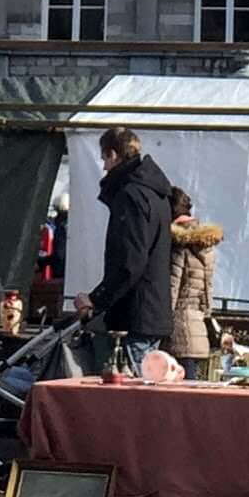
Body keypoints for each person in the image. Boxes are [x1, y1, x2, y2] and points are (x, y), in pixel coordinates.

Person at [82, 129, 177, 373]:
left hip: (134, 316)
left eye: (104, 159)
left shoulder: (131, 196)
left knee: (132, 387)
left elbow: (130, 262)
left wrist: (96, 298)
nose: (104, 167)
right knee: (146, 385)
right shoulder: (156, 193)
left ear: (113, 154)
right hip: (153, 312)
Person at [166, 189, 221, 366]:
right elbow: (208, 288)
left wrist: (163, 320)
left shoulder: (179, 244)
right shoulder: (206, 244)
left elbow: (172, 286)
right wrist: (206, 312)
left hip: (179, 322)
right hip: (198, 322)